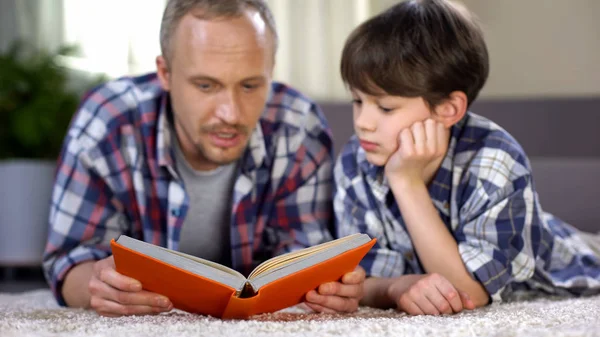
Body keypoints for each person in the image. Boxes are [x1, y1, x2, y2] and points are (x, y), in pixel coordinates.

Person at [43, 0, 365, 317]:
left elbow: (303, 256)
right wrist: (100, 285)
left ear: (271, 71)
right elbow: (70, 261)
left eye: (250, 85)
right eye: (206, 85)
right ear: (165, 73)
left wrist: (328, 290)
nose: (231, 113)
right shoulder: (107, 124)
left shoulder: (299, 127)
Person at [334, 0, 600, 316]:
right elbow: (361, 279)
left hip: (567, 264)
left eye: (385, 108)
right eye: (357, 101)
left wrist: (406, 181)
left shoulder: (495, 159)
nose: (363, 121)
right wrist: (394, 287)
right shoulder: (356, 159)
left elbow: (467, 293)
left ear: (448, 110)